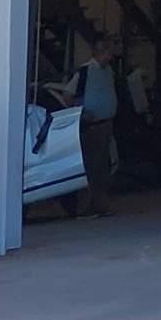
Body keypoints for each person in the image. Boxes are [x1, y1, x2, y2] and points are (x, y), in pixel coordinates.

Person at [59, 38, 120, 218]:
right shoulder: (85, 71)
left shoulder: (109, 71)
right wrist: (80, 113)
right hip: (91, 127)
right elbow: (67, 94)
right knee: (91, 167)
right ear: (99, 53)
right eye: (107, 53)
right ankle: (86, 208)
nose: (109, 57)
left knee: (103, 167)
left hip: (106, 124)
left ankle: (100, 205)